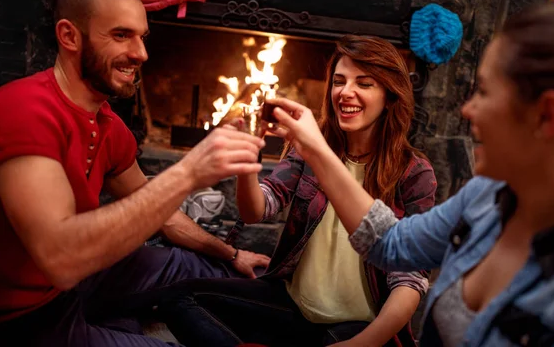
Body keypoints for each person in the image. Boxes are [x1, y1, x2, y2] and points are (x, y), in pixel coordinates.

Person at [261, 0, 554, 346]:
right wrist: (314, 149)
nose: (467, 109)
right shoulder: (483, 197)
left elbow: (407, 277)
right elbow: (390, 242)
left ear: (547, 116)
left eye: (485, 92)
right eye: (339, 81)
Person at [0, 0, 268, 346]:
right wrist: (187, 173)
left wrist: (232, 253)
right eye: (121, 35)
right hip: (25, 319)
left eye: (142, 37)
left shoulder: (107, 123)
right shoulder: (23, 111)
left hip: (80, 284)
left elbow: (161, 212)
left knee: (210, 269)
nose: (140, 53)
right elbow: (61, 259)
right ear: (69, 36)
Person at [157, 35, 438, 347]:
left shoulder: (415, 173)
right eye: (339, 81)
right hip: (293, 305)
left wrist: (365, 343)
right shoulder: (307, 147)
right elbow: (256, 211)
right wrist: (249, 161)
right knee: (179, 298)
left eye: (365, 83)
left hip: (358, 326)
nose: (346, 93)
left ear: (390, 95)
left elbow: (411, 279)